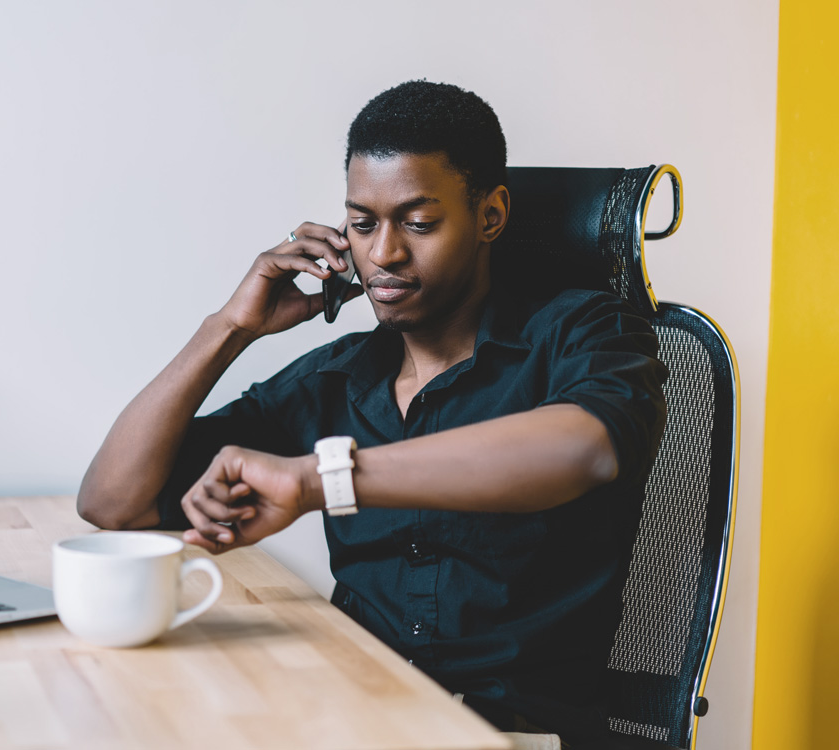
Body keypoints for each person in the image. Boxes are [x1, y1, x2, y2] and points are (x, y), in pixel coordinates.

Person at [78, 80, 668, 748]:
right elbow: (114, 503)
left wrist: (320, 480)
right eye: (362, 224)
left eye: (418, 223)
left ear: (490, 215)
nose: (383, 253)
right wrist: (230, 327)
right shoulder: (338, 375)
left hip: (512, 732)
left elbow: (583, 446)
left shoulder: (586, 332)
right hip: (352, 711)